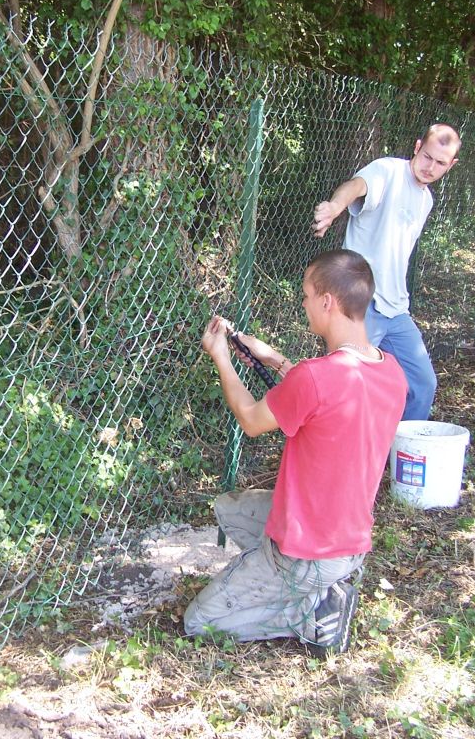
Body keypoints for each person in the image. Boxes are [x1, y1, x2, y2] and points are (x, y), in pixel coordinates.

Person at [184, 249, 407, 656]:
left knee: (197, 621)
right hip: (349, 539)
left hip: (306, 552)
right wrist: (268, 356)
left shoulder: (315, 378)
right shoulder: (390, 371)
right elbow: (328, 389)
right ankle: (317, 584)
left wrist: (221, 356)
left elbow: (252, 420)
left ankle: (309, 613)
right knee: (229, 508)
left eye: (306, 296)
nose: (302, 304)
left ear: (328, 302)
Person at [311, 123, 461, 421]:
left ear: (451, 165)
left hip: (396, 310)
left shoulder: (426, 199)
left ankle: (401, 456)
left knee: (422, 385)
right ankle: (333, 457)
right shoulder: (388, 171)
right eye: (427, 156)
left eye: (440, 163)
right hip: (362, 304)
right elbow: (356, 186)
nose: (430, 167)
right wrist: (335, 206)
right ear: (417, 147)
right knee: (344, 388)